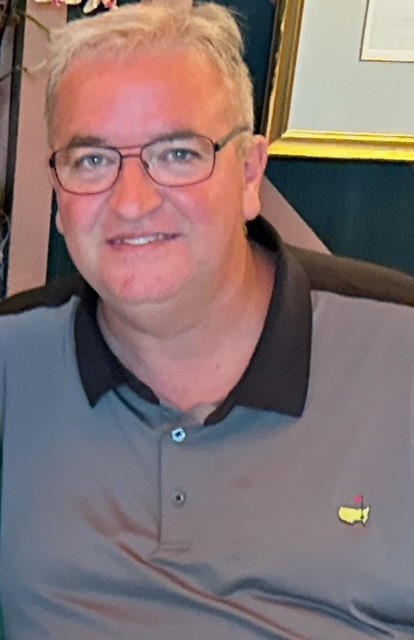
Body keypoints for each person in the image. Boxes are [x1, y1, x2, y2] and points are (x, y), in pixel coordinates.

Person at [1, 2, 414, 638]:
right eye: (92, 161)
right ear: (59, 195)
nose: (132, 202)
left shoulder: (398, 357)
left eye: (177, 154)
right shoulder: (12, 362)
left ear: (249, 173)